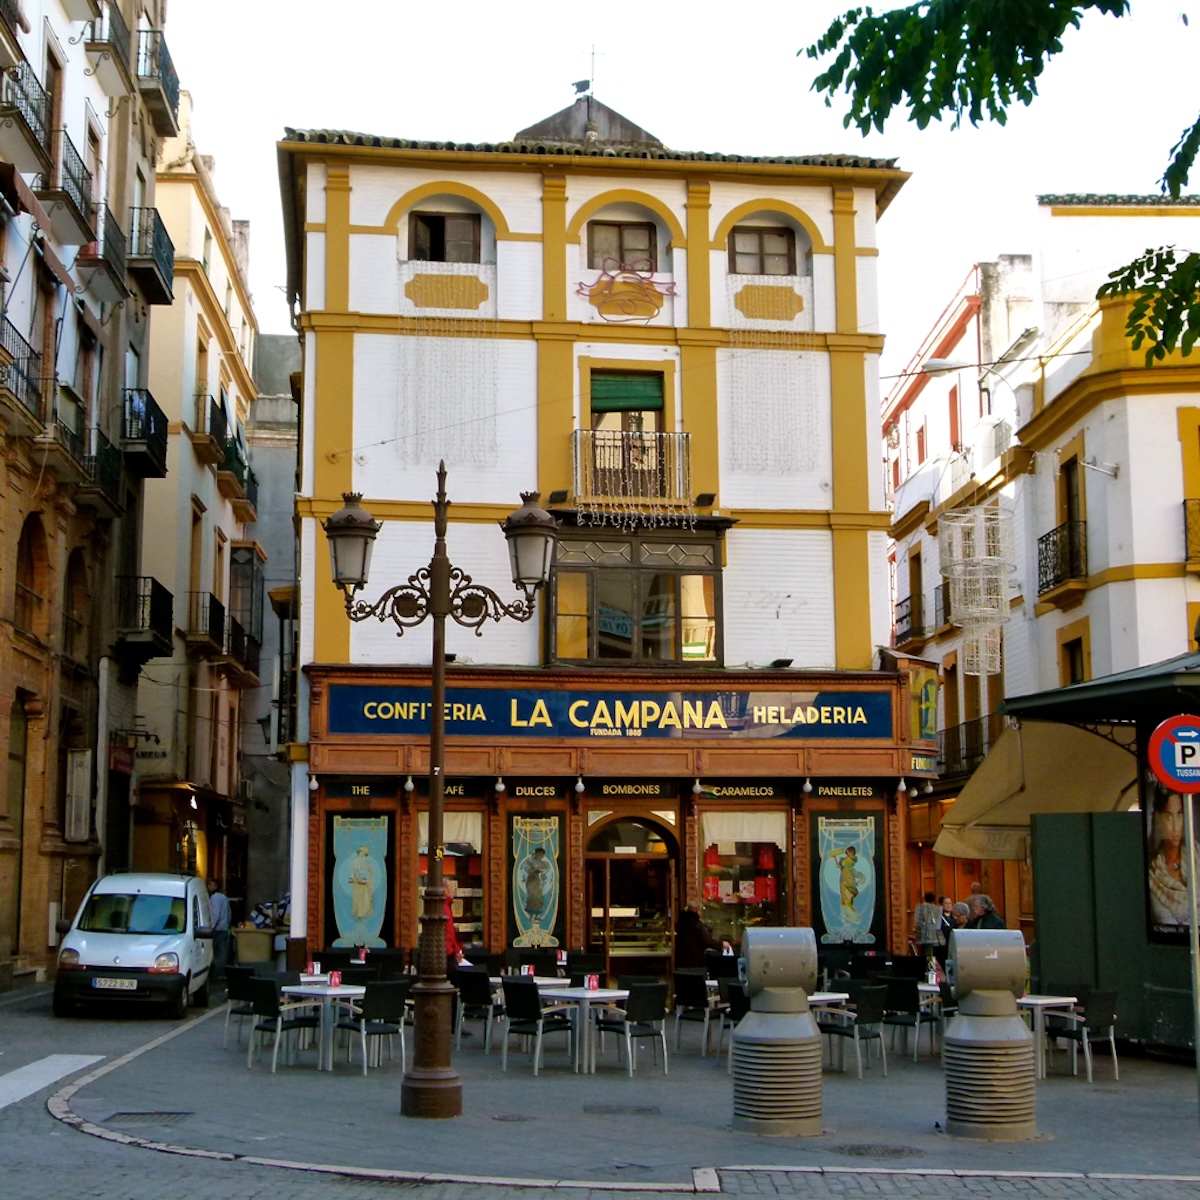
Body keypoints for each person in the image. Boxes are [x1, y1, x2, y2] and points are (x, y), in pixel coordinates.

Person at [1149, 790, 1190, 926]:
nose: (1175, 827)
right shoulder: (1153, 877)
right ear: (1159, 819)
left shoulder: (1197, 857)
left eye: (1179, 815)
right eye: (1169, 817)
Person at [674, 901, 731, 969]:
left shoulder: (681, 921)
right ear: (697, 911)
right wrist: (721, 944)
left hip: (681, 958)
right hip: (694, 959)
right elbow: (706, 940)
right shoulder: (696, 924)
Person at [206, 879, 230, 984]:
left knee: (214, 952)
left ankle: (215, 974)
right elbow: (229, 913)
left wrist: (210, 927)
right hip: (224, 928)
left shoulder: (214, 898)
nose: (208, 886)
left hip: (217, 929)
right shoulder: (224, 898)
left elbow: (215, 914)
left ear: (216, 886)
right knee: (223, 952)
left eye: (211, 884)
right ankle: (222, 973)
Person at [912, 892, 943, 958]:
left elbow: (916, 920)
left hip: (921, 934)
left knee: (923, 952)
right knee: (931, 953)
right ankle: (930, 965)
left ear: (924, 898)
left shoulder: (919, 907)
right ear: (934, 900)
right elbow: (938, 925)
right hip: (933, 935)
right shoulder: (937, 909)